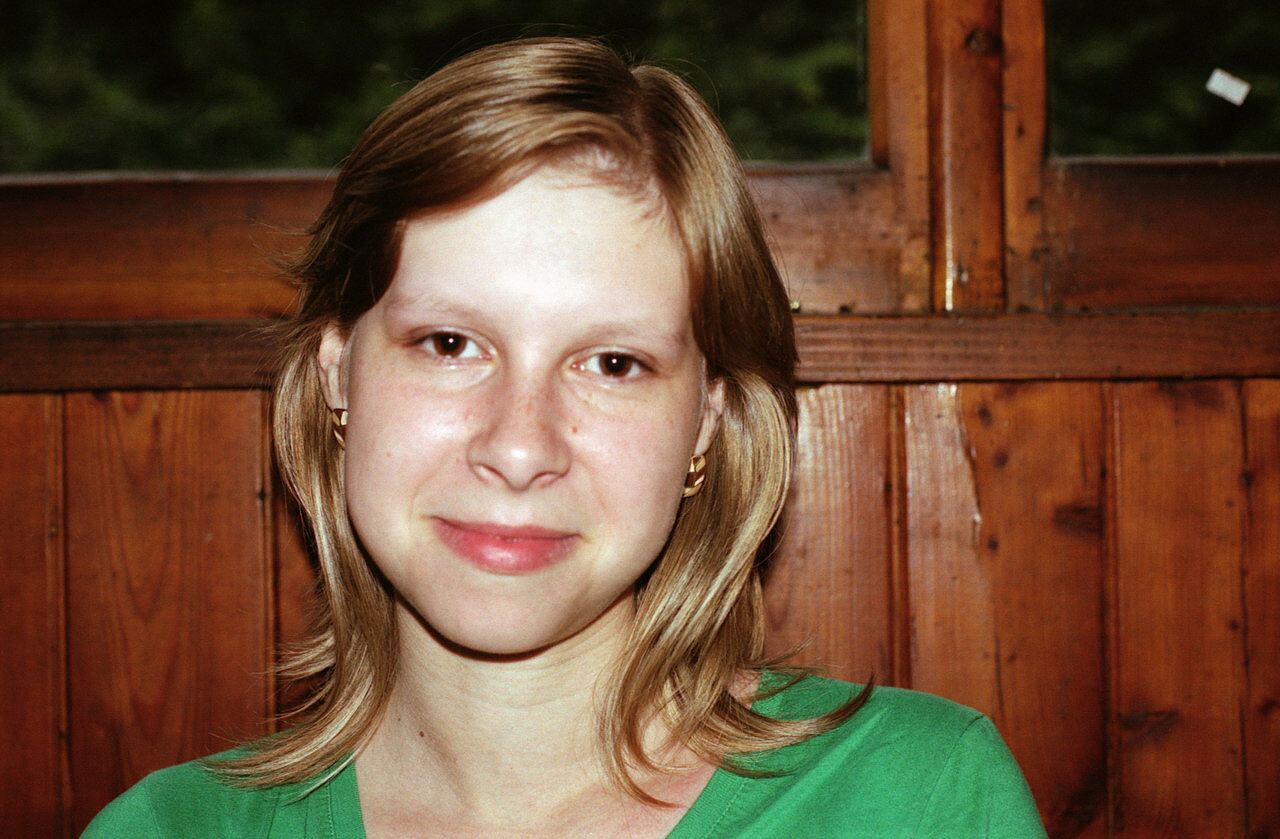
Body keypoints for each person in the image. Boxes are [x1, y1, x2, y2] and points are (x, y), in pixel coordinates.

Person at [83, 36, 1047, 837]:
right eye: (450, 343)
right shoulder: (163, 829)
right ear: (339, 375)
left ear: (707, 420)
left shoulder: (924, 800)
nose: (518, 447)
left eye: (613, 363)